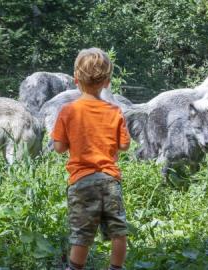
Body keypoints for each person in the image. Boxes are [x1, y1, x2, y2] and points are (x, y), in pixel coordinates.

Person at [52, 48, 131, 270]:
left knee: (81, 234)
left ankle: (75, 268)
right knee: (118, 230)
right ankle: (116, 268)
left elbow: (58, 147)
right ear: (107, 81)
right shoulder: (115, 111)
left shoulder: (68, 111)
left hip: (81, 181)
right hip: (109, 180)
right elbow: (124, 145)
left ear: (76, 80)